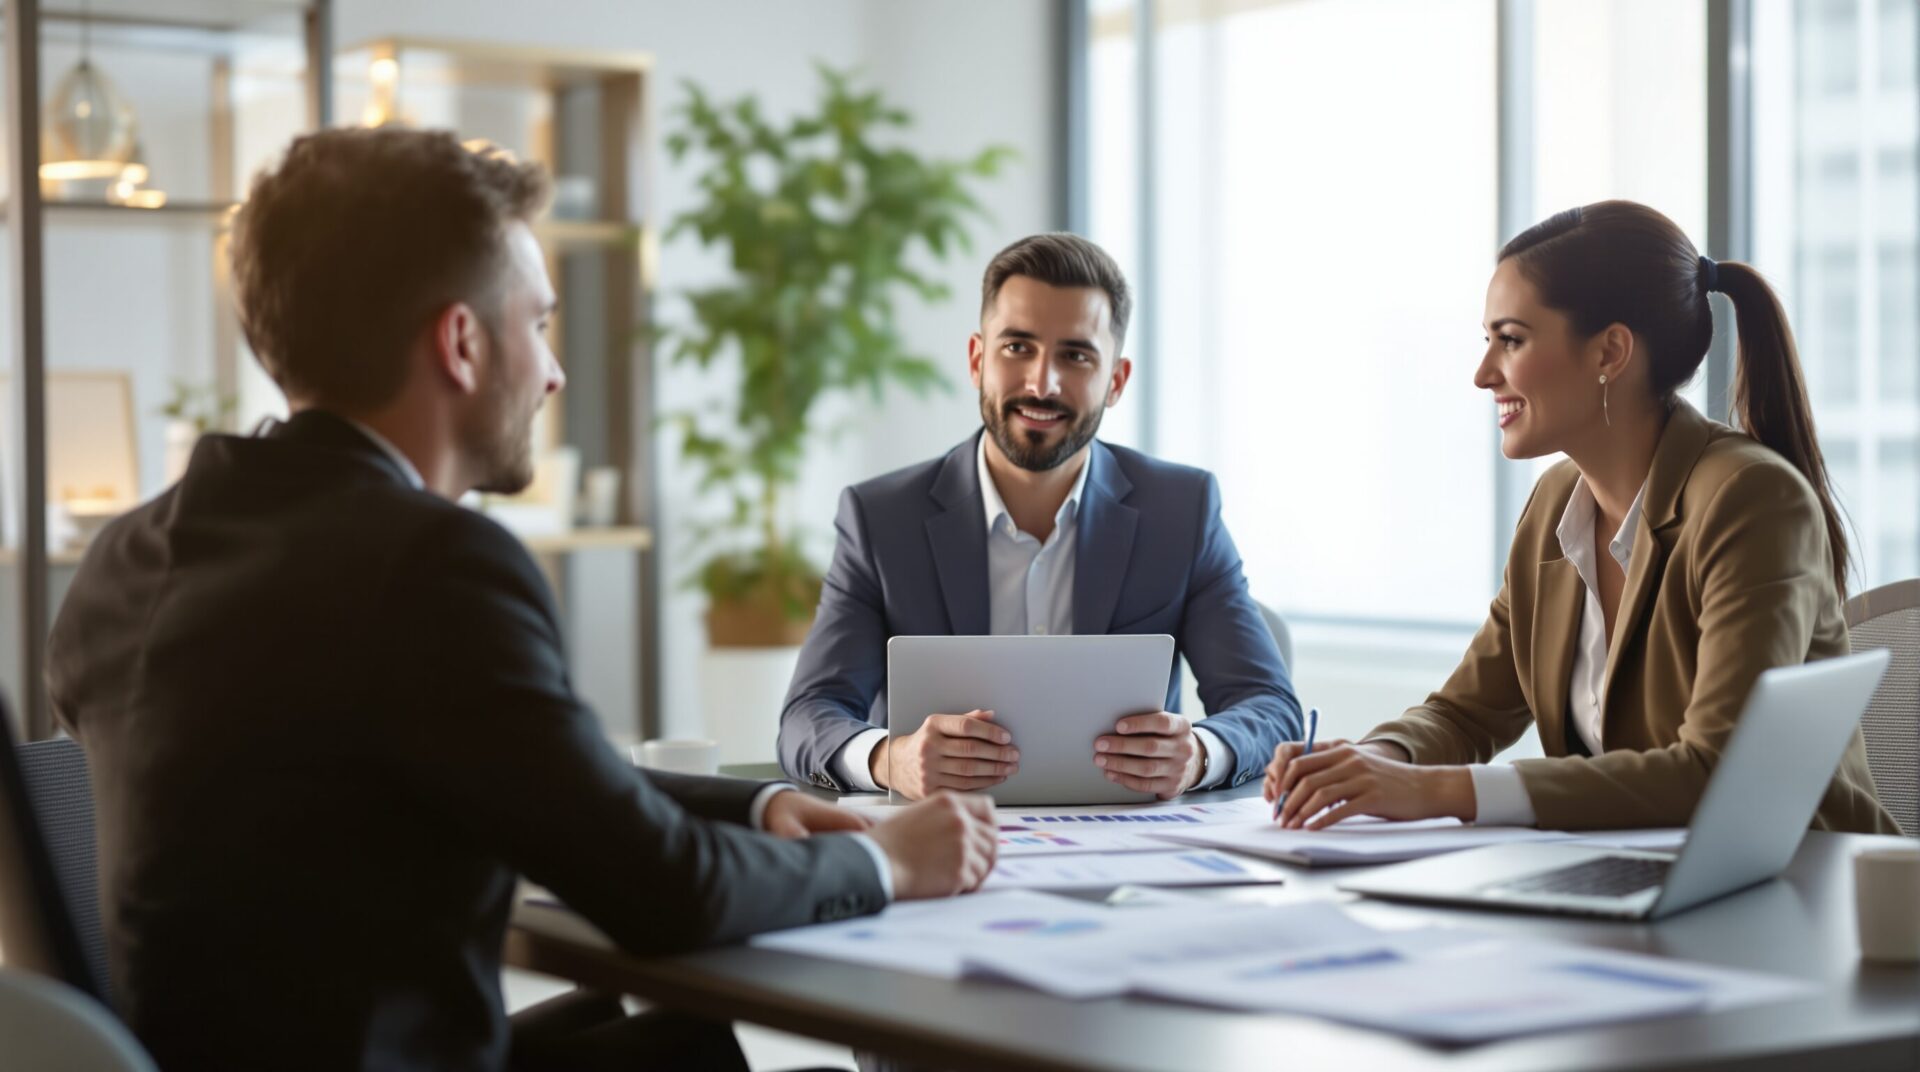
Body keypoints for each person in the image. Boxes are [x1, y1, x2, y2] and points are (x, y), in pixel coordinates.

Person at [46, 126, 998, 1072]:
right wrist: (884, 862)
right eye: (538, 324)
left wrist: (756, 809)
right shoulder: (431, 566)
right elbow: (662, 893)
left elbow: (529, 774)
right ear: (461, 343)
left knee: (677, 1045)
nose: (554, 371)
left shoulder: (126, 558)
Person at [1264, 200, 1897, 835]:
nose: (1483, 374)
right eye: (1487, 341)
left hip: (1805, 876)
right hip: (1638, 871)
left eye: (1511, 340)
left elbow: (1716, 770)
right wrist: (1370, 761)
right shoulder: (1555, 507)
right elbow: (1465, 714)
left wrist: (1437, 791)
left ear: (1609, 352)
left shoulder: (1749, 500)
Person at [779, 233, 1301, 801]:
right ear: (978, 359)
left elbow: (1269, 706)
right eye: (1017, 347)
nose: (1041, 383)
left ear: (1116, 380)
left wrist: (1198, 754)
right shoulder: (881, 520)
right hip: (938, 835)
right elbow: (809, 715)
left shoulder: (1182, 510)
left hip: (1127, 839)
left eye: (1075, 356)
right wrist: (889, 760)